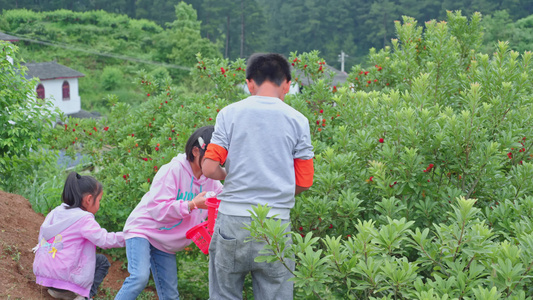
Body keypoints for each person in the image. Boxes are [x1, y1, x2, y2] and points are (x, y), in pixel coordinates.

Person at [202, 53, 315, 300]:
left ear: (250, 82)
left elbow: (209, 168)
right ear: (286, 83)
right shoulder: (298, 120)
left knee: (223, 295)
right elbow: (305, 181)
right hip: (275, 224)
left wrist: (226, 174)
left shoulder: (229, 114)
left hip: (233, 221)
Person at [115, 125, 223, 300]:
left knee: (170, 295)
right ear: (196, 151)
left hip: (165, 242)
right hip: (143, 230)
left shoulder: (210, 180)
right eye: (211, 156)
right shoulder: (173, 170)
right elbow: (158, 208)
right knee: (139, 278)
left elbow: (224, 199)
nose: (214, 162)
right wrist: (192, 204)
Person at [33, 172, 125, 300]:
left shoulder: (56, 212)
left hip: (45, 275)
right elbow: (104, 240)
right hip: (65, 277)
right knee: (102, 262)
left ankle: (57, 291)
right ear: (88, 200)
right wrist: (129, 236)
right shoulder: (83, 219)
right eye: (99, 200)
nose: (99, 203)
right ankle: (85, 297)